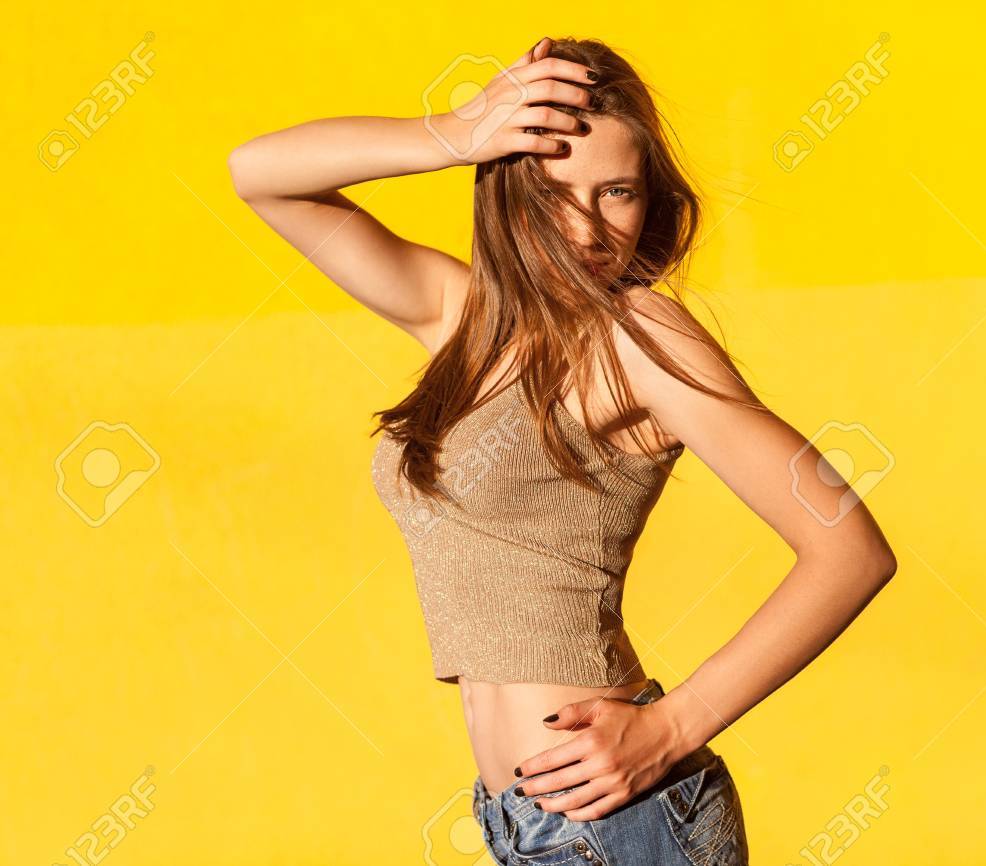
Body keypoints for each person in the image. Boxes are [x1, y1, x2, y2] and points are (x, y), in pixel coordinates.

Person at [227, 34, 897, 866]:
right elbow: (259, 174)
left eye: (616, 192)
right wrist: (458, 133)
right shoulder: (459, 316)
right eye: (553, 193)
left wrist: (673, 726)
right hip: (529, 823)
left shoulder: (639, 335)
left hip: (619, 822)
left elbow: (850, 549)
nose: (587, 227)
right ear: (509, 194)